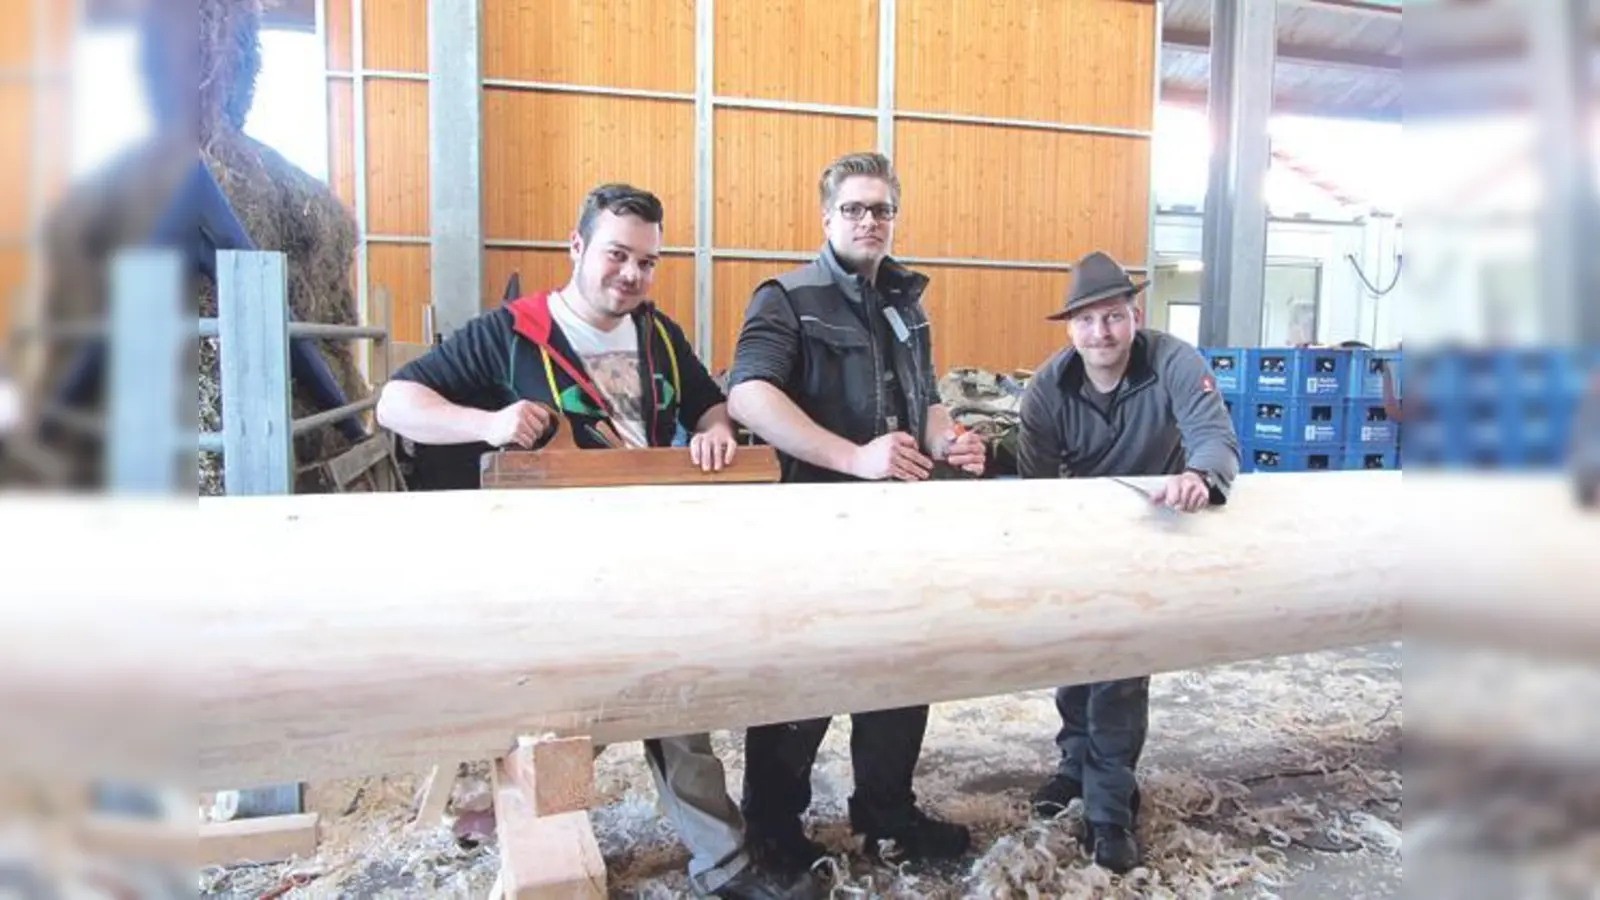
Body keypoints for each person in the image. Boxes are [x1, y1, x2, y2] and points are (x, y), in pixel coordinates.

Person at [375, 183, 824, 900]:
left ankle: (722, 865)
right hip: (547, 568)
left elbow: (710, 401)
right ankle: (714, 865)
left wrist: (713, 431)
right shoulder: (510, 333)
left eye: (648, 262)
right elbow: (396, 402)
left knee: (675, 704)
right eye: (617, 255)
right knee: (610, 713)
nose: (632, 275)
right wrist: (484, 424)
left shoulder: (658, 335)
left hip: (646, 553)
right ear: (577, 247)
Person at [724, 151, 985, 871]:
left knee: (903, 668)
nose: (869, 221)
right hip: (813, 524)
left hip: (897, 524)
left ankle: (885, 812)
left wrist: (950, 439)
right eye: (854, 209)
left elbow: (924, 399)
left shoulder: (906, 302)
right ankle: (773, 830)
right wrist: (852, 456)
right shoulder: (788, 297)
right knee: (802, 677)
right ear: (826, 217)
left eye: (881, 210)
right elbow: (749, 394)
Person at [1017, 249, 1240, 873]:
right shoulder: (1046, 388)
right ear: (1071, 329)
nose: (1101, 333)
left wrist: (1200, 474)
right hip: (1081, 537)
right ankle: (1074, 766)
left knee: (1118, 670)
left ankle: (1109, 806)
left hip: (1155, 530)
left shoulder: (1174, 361)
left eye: (1113, 318)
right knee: (1076, 659)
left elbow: (1213, 434)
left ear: (1134, 316)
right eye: (1086, 322)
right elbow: (1035, 486)